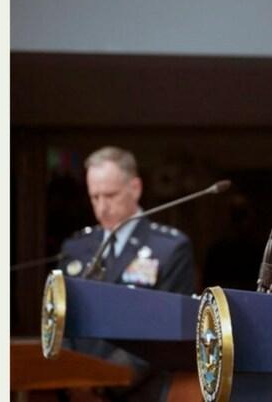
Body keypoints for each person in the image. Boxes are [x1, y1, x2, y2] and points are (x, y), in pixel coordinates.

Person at [59, 146, 196, 401]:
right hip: (76, 390)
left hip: (139, 391)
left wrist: (103, 383)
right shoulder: (75, 248)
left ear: (135, 188)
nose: (102, 207)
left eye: (110, 195)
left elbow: (164, 330)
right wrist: (72, 380)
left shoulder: (169, 248)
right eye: (94, 197)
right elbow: (60, 321)